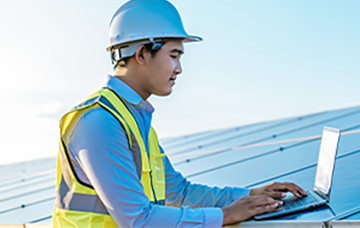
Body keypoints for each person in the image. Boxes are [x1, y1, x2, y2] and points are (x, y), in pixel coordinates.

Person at [51, 0, 307, 227]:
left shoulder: (135, 122)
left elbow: (180, 193)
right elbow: (138, 220)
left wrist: (249, 195)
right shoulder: (98, 120)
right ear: (141, 54)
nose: (179, 68)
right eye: (174, 55)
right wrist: (226, 215)